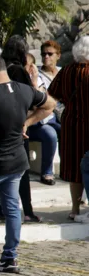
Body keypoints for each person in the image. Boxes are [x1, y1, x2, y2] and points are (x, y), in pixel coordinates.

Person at [0, 54, 55, 273]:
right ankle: (10, 257)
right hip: (16, 162)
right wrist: (27, 122)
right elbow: (50, 104)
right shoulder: (25, 90)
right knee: (13, 210)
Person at [0, 35, 43, 223]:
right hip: (17, 126)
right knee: (21, 171)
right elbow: (29, 98)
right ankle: (27, 211)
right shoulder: (18, 71)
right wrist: (34, 81)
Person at [48, 36, 89, 220]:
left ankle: (74, 208)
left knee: (74, 168)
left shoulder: (65, 71)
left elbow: (51, 95)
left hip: (71, 125)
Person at [26, 47, 61, 185]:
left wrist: (35, 82)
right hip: (32, 125)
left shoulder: (37, 80)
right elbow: (37, 106)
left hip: (46, 120)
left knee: (67, 130)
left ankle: (67, 168)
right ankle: (47, 172)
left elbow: (44, 103)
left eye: (30, 66)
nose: (46, 56)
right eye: (44, 54)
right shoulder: (20, 82)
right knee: (50, 134)